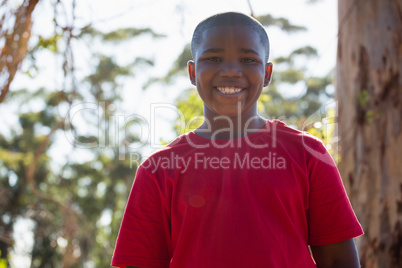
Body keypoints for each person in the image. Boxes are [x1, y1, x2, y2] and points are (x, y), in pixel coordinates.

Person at [111, 12, 363, 268]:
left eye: (247, 59)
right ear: (192, 71)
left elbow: (337, 260)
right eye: (213, 58)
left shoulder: (307, 153)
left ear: (267, 73)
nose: (231, 70)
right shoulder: (158, 169)